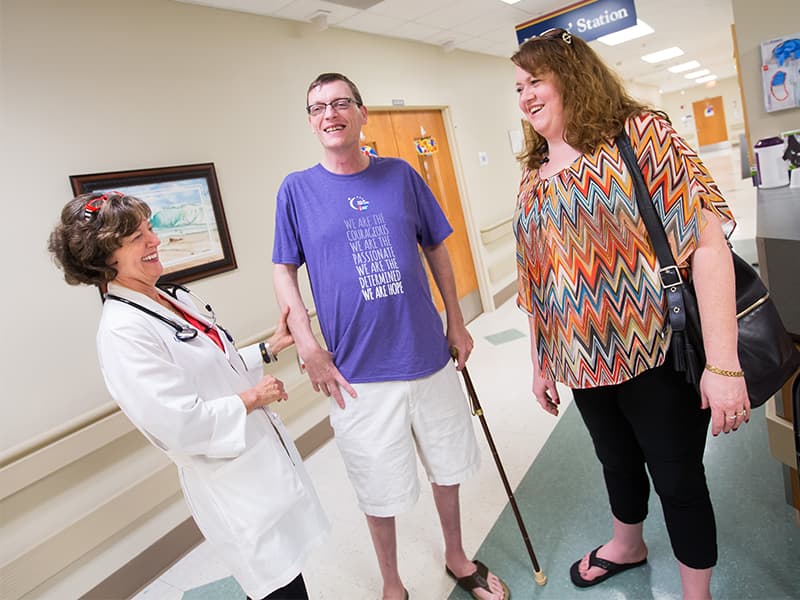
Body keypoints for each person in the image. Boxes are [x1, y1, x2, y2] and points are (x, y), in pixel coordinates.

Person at [511, 30, 748, 599]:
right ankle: (628, 543)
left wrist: (724, 364)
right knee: (614, 460)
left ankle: (697, 592)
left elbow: (708, 247)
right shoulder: (533, 175)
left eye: (535, 81)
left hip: (658, 349)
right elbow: (538, 282)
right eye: (519, 87)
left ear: (572, 77)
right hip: (583, 363)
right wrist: (542, 361)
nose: (525, 96)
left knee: (678, 477)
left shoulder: (641, 136)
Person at [272, 73, 509, 600]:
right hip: (355, 374)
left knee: (447, 468)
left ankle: (456, 555)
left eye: (340, 104)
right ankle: (392, 583)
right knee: (378, 488)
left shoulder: (401, 175)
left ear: (362, 113)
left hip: (427, 357)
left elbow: (437, 249)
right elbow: (283, 270)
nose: (329, 114)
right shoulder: (297, 191)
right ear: (311, 122)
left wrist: (456, 318)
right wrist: (307, 343)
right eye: (317, 108)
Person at [48, 192, 329, 600]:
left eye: (150, 229)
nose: (154, 241)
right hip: (231, 484)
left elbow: (213, 369)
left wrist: (269, 348)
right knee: (276, 587)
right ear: (102, 255)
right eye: (136, 238)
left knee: (289, 575)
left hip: (259, 464)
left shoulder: (169, 297)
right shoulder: (122, 333)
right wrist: (253, 398)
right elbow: (179, 423)